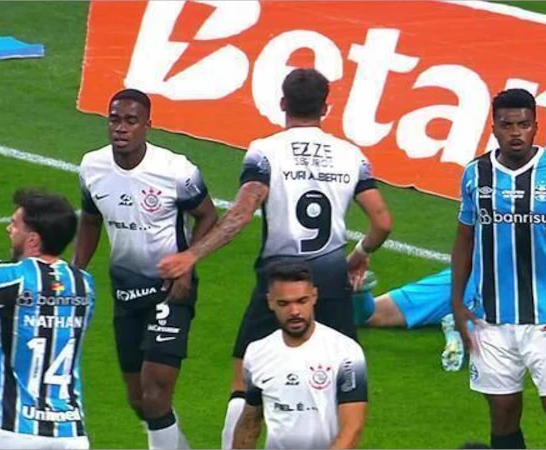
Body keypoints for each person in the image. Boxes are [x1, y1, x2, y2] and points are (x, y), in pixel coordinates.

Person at [156, 68, 391, 449]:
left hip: (279, 282)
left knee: (244, 385)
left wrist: (192, 255)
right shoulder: (352, 156)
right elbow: (382, 222)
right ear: (325, 108)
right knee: (343, 391)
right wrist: (359, 254)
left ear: (282, 104)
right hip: (331, 281)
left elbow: (242, 212)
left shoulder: (265, 151)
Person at [73, 89, 218, 449]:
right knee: (139, 400)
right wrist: (76, 272)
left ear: (147, 125)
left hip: (170, 289)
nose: (120, 128)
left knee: (155, 395)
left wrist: (188, 264)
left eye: (130, 120)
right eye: (114, 119)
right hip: (125, 289)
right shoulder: (92, 167)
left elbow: (207, 215)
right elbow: (90, 220)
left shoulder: (175, 170)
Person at [451, 89, 546, 449]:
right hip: (490, 319)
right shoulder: (475, 175)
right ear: (494, 128)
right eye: (507, 125)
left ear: (536, 126)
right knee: (502, 411)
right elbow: (465, 239)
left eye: (523, 124)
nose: (516, 132)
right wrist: (456, 303)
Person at [0, 189, 96, 449]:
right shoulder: (85, 285)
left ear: (32, 239)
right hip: (70, 433)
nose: (9, 229)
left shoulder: (8, 279)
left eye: (14, 224)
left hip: (11, 430)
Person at [232, 260, 368, 449]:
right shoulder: (257, 353)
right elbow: (250, 422)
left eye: (301, 301)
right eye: (284, 303)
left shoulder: (345, 352)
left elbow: (352, 429)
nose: (294, 311)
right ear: (270, 302)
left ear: (314, 296)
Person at [352, 268, 481, 371]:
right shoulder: (459, 279)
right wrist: (359, 293)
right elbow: (371, 314)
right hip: (471, 276)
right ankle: (468, 328)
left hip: (471, 275)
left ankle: (467, 328)